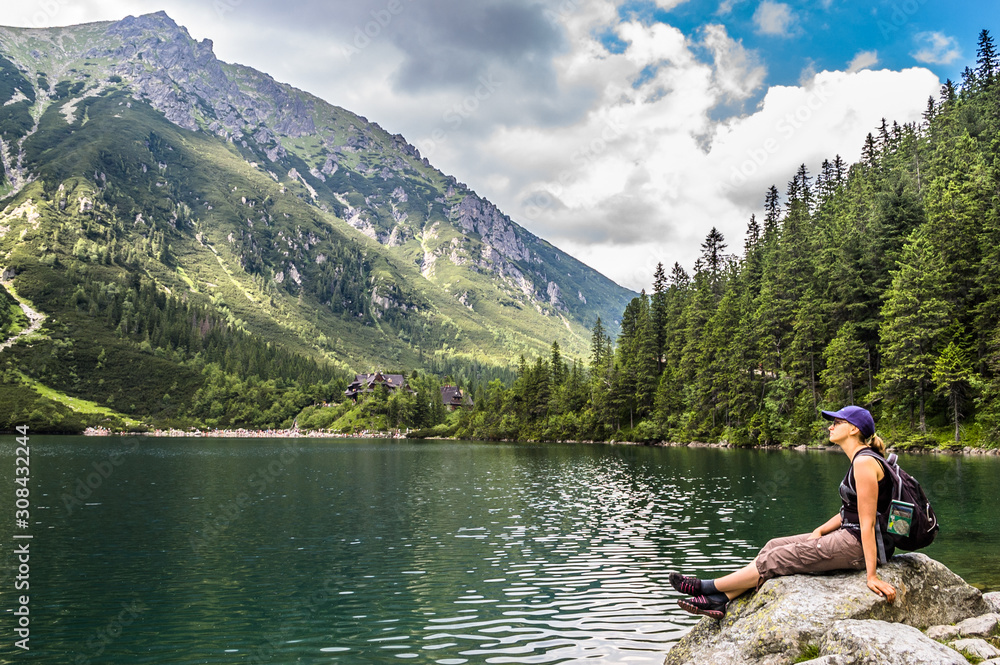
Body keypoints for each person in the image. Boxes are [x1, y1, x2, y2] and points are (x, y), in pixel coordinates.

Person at [670, 405, 898, 619]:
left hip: (858, 545)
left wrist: (871, 576)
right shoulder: (862, 459)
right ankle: (721, 599)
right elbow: (854, 510)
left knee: (775, 558)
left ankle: (708, 586)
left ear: (853, 429)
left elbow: (867, 523)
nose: (830, 427)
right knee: (772, 546)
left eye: (836, 422)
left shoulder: (864, 463)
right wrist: (820, 529)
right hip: (851, 536)